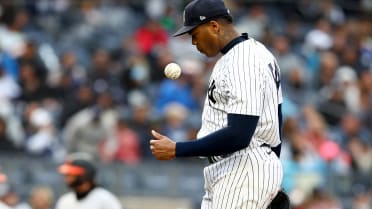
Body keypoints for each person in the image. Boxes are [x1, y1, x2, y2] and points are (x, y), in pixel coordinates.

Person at [150, 0, 288, 208]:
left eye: (195, 35)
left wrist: (178, 149)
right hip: (237, 170)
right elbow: (276, 118)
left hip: (243, 170)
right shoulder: (248, 54)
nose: (194, 43)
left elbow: (239, 134)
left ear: (214, 26)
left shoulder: (243, 61)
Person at [55, 153, 122, 209]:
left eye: (71, 175)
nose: (67, 179)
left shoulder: (105, 200)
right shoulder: (65, 201)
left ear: (85, 176)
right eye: (67, 175)